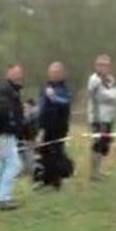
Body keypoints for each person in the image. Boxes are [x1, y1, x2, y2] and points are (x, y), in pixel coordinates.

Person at [0, 64, 25, 210]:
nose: (18, 75)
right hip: (5, 133)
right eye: (15, 72)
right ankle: (4, 197)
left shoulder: (11, 90)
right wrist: (10, 122)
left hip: (6, 133)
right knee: (14, 164)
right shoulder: (4, 90)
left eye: (20, 73)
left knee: (2, 164)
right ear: (8, 72)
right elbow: (0, 109)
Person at [36, 61, 73, 191]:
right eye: (52, 72)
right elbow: (41, 105)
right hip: (45, 125)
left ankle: (55, 182)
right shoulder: (45, 86)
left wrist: (54, 97)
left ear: (62, 73)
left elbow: (66, 102)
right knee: (44, 153)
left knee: (56, 153)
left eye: (56, 72)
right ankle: (45, 180)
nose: (54, 75)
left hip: (59, 126)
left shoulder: (65, 88)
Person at [86, 54, 116, 181]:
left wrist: (112, 95)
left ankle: (100, 170)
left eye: (105, 65)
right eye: (100, 65)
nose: (103, 68)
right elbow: (102, 96)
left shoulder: (110, 79)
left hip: (109, 116)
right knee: (97, 143)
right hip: (98, 117)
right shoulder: (94, 80)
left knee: (105, 144)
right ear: (96, 66)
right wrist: (112, 95)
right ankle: (93, 172)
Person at [21, 98, 40, 180]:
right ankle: (31, 170)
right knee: (31, 154)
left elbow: (27, 124)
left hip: (31, 137)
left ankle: (30, 171)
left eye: (25, 107)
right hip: (33, 136)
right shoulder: (37, 113)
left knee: (29, 155)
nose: (24, 108)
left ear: (30, 106)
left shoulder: (32, 114)